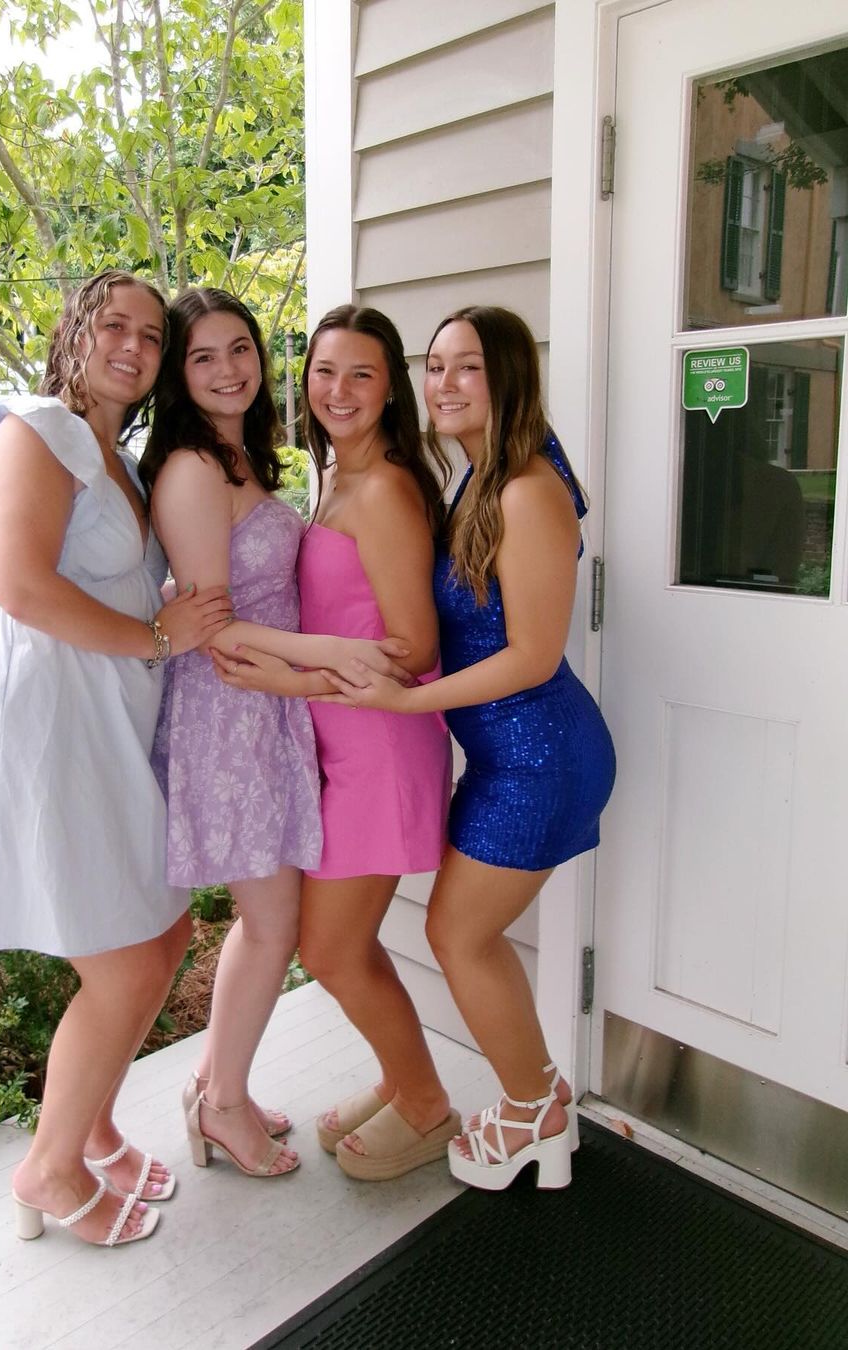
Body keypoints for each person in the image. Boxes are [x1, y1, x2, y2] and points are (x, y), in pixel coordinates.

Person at [0, 270, 233, 1246]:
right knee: (128, 961)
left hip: (103, 719)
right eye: (115, 326)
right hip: (42, 719)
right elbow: (19, 583)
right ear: (74, 332)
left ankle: (92, 1131)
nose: (133, 347)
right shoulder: (37, 431)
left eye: (151, 335)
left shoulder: (124, 462)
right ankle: (48, 1170)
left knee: (161, 933)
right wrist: (157, 638)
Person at [316, 306, 616, 1192]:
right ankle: (538, 1102)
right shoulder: (479, 477)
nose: (443, 384)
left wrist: (407, 698)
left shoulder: (525, 490)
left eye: (467, 367)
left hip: (543, 758)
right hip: (504, 758)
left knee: (457, 933)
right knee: (462, 934)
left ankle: (535, 1111)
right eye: (435, 366)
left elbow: (533, 655)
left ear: (508, 377)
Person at [213, 305, 459, 1181]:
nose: (339, 390)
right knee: (343, 943)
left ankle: (426, 1104)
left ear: (391, 387)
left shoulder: (385, 489)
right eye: (324, 371)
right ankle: (402, 1079)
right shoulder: (337, 475)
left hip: (382, 748)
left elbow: (415, 648)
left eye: (361, 374)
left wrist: (285, 677)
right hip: (339, 743)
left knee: (331, 948)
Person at [139, 287, 323, 1179]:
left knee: (266, 917)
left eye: (240, 348)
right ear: (179, 374)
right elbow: (212, 626)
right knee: (274, 921)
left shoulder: (243, 456)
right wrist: (333, 659)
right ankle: (220, 1107)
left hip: (266, 701)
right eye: (203, 356)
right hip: (229, 709)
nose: (227, 369)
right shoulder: (191, 468)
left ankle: (217, 1086)